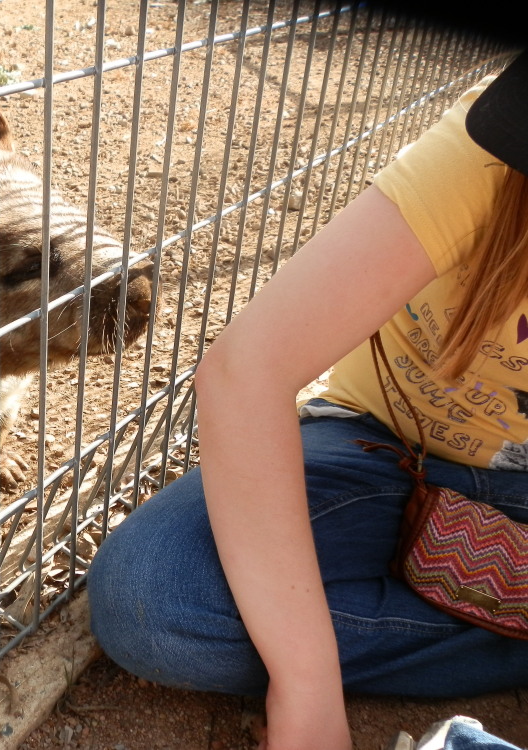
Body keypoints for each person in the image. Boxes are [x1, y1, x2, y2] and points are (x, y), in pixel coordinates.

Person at [87, 51, 528, 750]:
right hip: (387, 442)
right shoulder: (490, 148)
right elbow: (246, 370)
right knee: (154, 597)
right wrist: (308, 686)